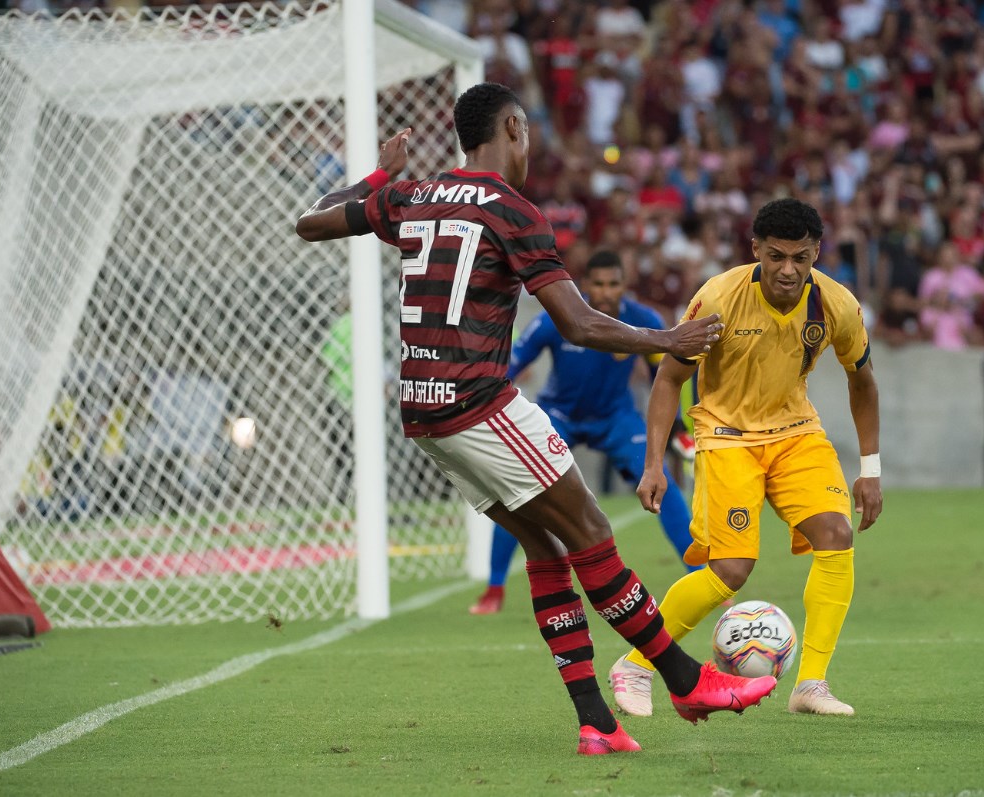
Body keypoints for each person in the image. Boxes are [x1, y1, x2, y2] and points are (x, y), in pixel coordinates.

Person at [295, 82, 776, 755]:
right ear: (514, 128)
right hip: (479, 401)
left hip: (422, 412)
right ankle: (686, 678)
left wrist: (381, 171)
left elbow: (310, 221)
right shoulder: (513, 209)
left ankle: (596, 722)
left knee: (548, 548)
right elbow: (577, 323)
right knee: (592, 531)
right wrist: (667, 339)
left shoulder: (413, 196)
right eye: (529, 134)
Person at [607, 198, 883, 718]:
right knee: (731, 569)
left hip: (796, 431)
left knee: (837, 535)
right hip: (726, 435)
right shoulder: (718, 298)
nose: (788, 270)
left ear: (816, 253)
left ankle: (811, 685)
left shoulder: (836, 304)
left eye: (801, 258)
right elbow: (669, 379)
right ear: (755, 249)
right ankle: (636, 664)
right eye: (776, 256)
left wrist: (870, 469)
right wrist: (653, 464)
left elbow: (862, 381)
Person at [469, 249, 700, 616]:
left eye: (613, 284)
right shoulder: (556, 320)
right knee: (519, 489)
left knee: (661, 484)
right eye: (599, 284)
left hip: (616, 418)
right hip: (558, 417)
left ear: (624, 285)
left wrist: (678, 428)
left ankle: (699, 577)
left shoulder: (644, 320)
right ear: (585, 286)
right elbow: (510, 363)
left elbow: (670, 376)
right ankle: (494, 588)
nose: (606, 292)